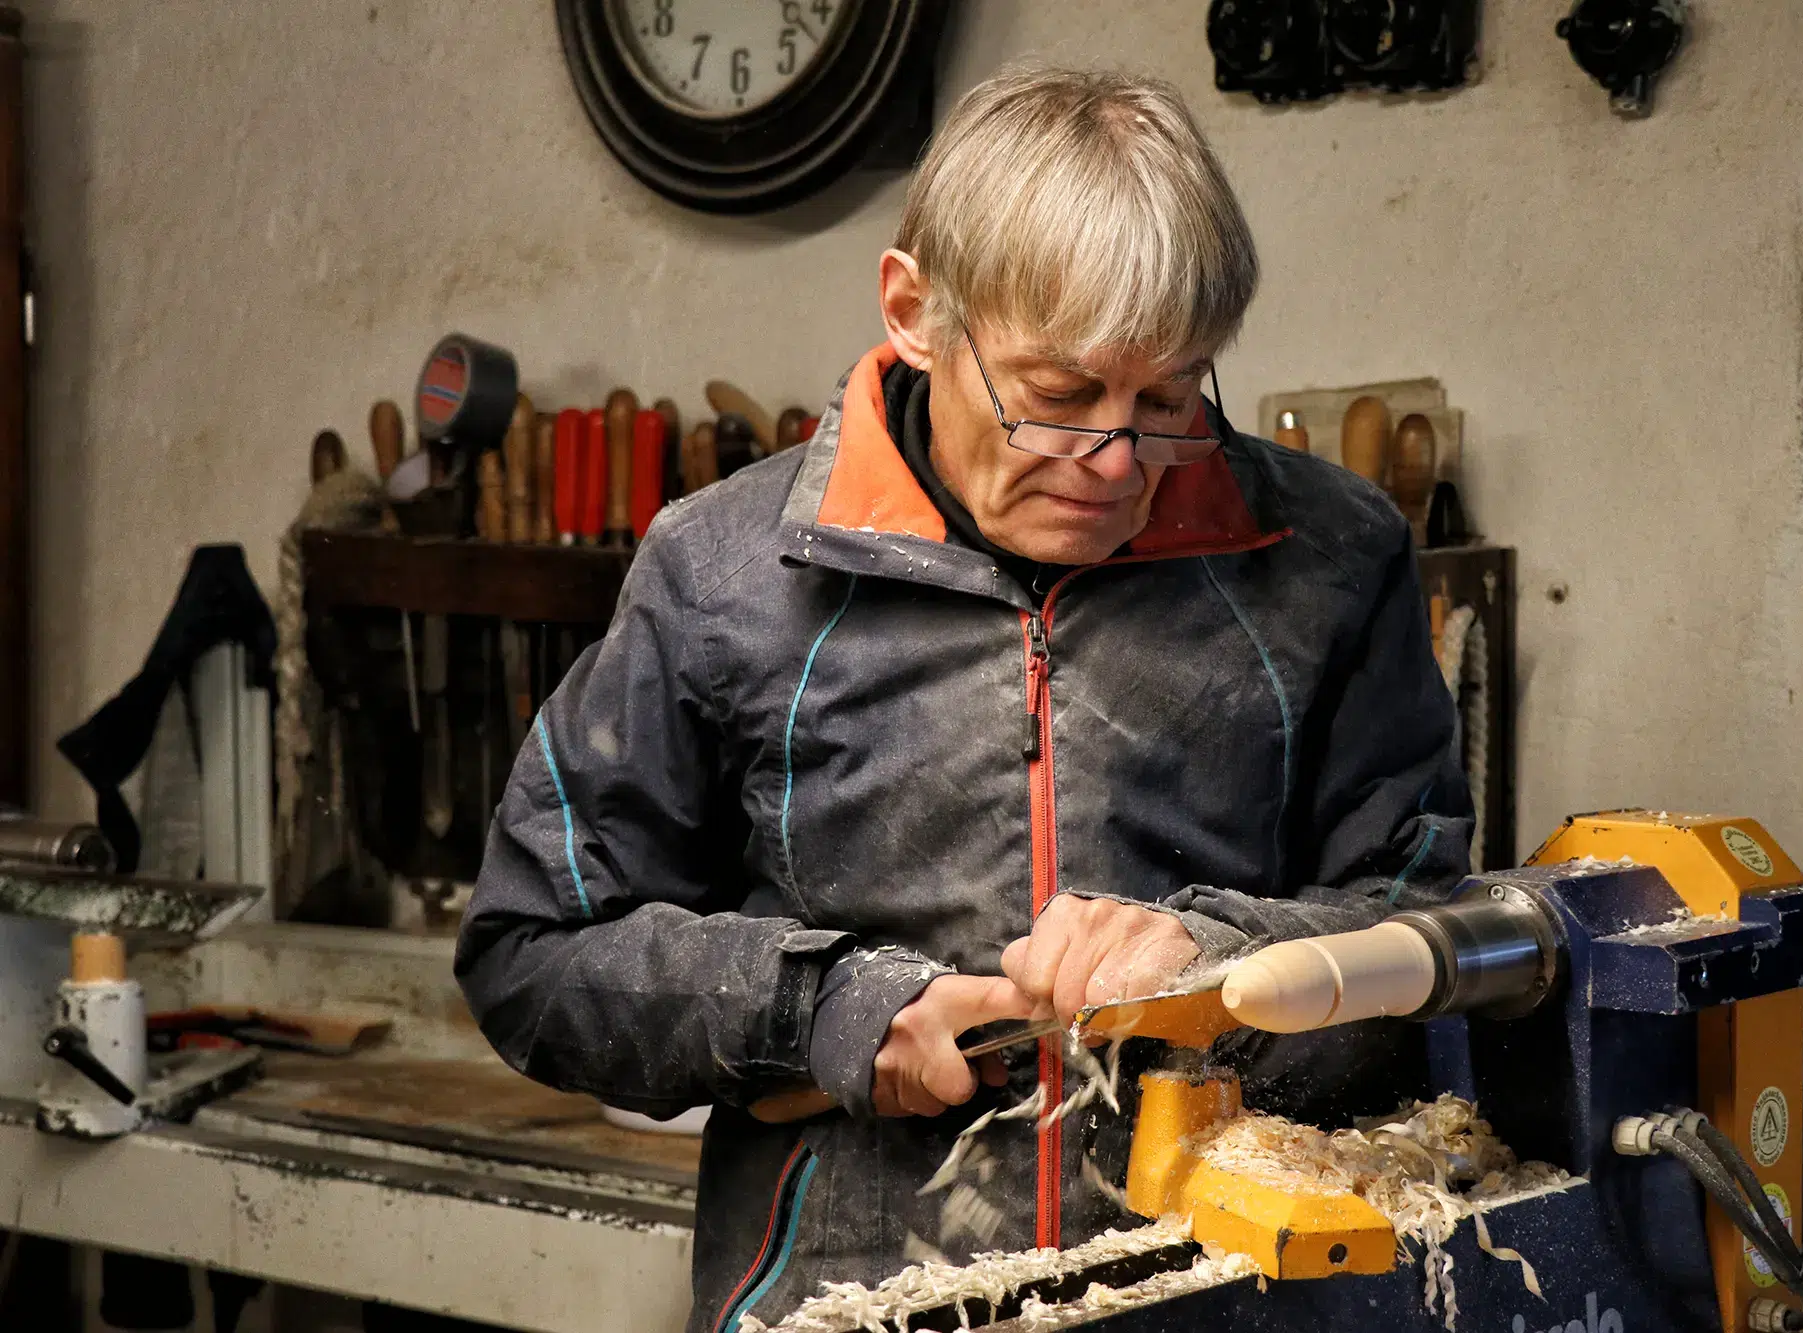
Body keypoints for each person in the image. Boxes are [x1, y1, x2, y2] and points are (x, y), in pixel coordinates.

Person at [457, 64, 1471, 1333]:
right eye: (1054, 398)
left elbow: (1440, 944)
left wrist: (1221, 971)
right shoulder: (722, 574)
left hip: (1234, 1299)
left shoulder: (1326, 559)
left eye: (1165, 398)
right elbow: (531, 956)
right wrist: (827, 1009)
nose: (1112, 462)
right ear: (913, 311)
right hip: (850, 1307)